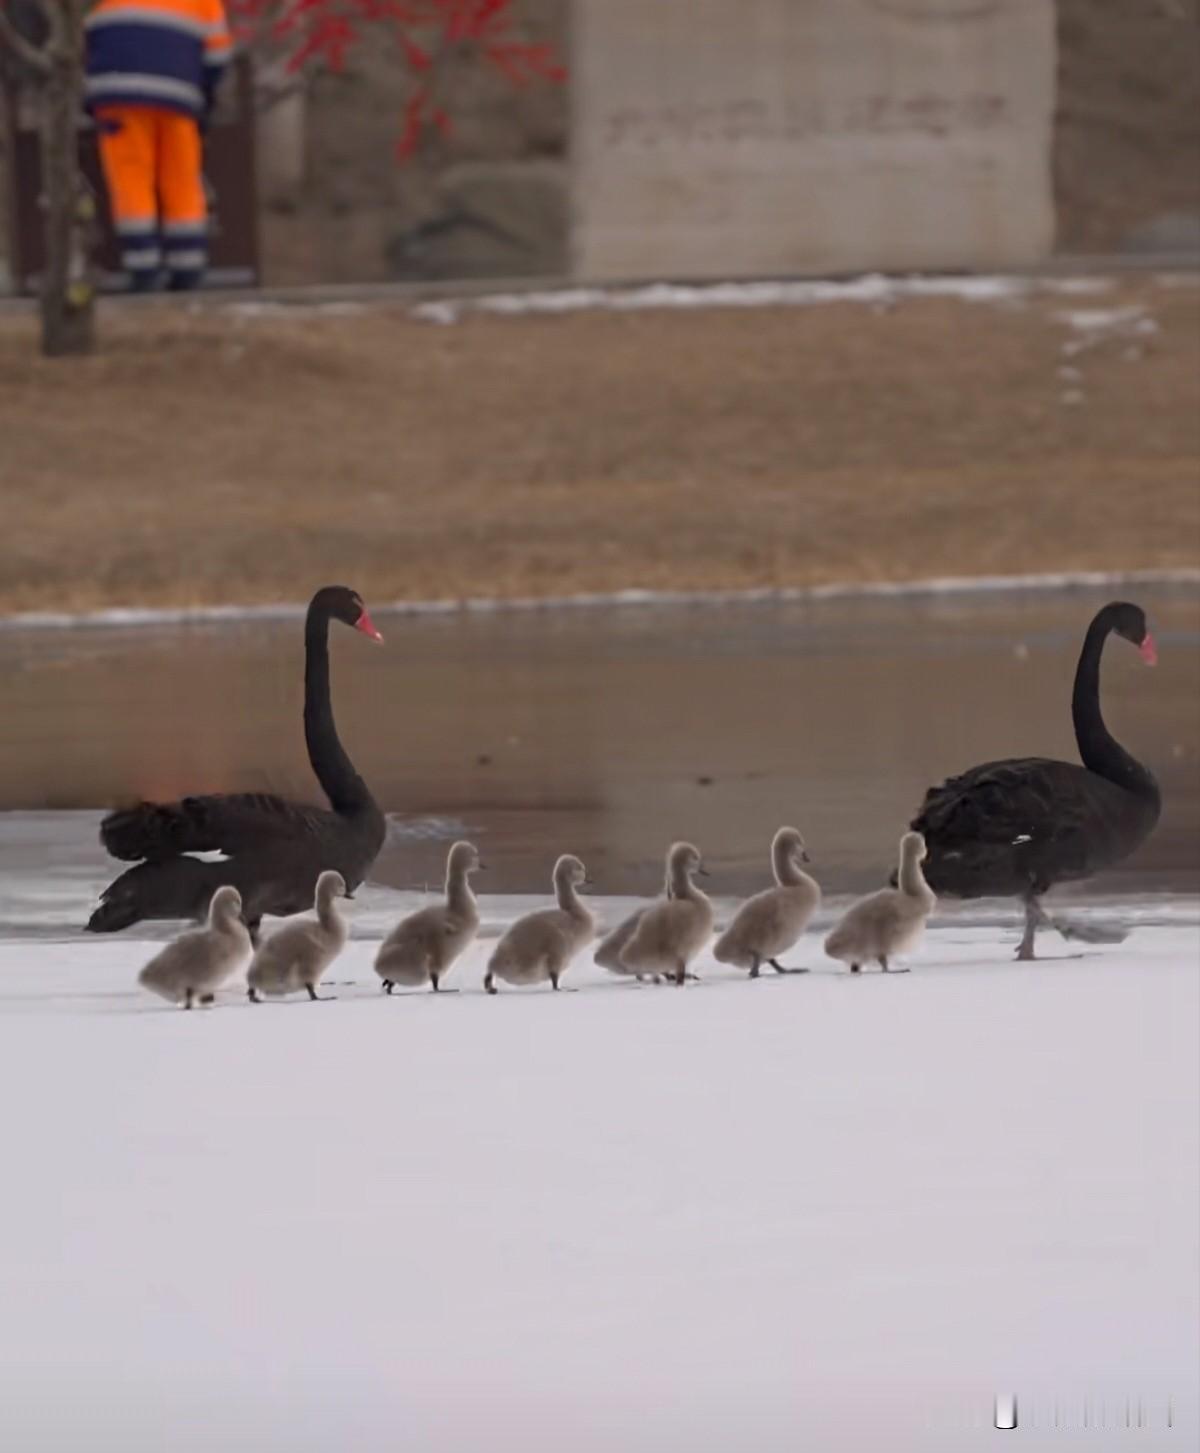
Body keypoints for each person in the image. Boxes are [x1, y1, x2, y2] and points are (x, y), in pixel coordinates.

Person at [83, 0, 232, 291]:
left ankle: (144, 268)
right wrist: (205, 96)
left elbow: (79, 43)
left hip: (118, 95)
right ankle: (187, 267)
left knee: (131, 177)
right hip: (179, 97)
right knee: (182, 178)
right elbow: (218, 56)